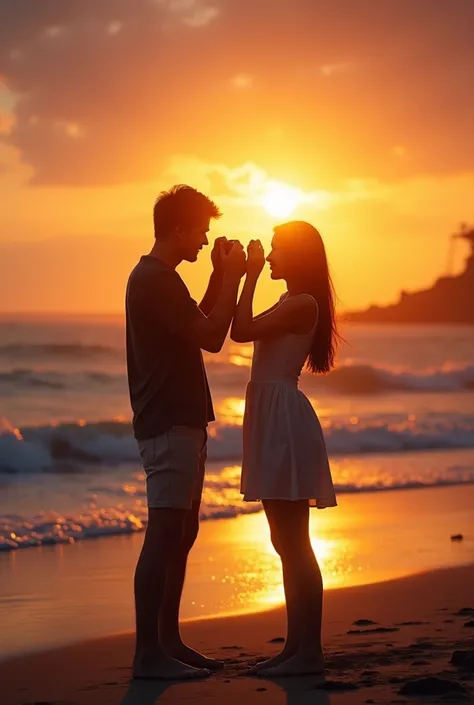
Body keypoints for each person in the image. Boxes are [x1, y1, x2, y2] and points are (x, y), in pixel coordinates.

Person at [126, 185, 246, 680]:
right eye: (200, 231)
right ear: (178, 228)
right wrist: (235, 278)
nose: (203, 240)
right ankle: (148, 653)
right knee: (163, 534)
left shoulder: (163, 279)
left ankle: (168, 640)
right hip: (169, 422)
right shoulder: (154, 280)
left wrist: (219, 275)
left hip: (182, 421)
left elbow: (197, 320)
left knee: (183, 531)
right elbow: (214, 336)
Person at [231, 221, 338, 678]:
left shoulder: (302, 304)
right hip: (273, 415)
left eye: (275, 250)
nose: (270, 256)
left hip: (283, 419)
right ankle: (295, 648)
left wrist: (249, 274)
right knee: (284, 541)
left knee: (294, 542)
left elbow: (239, 331)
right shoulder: (291, 301)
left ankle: (307, 651)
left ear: (297, 256)